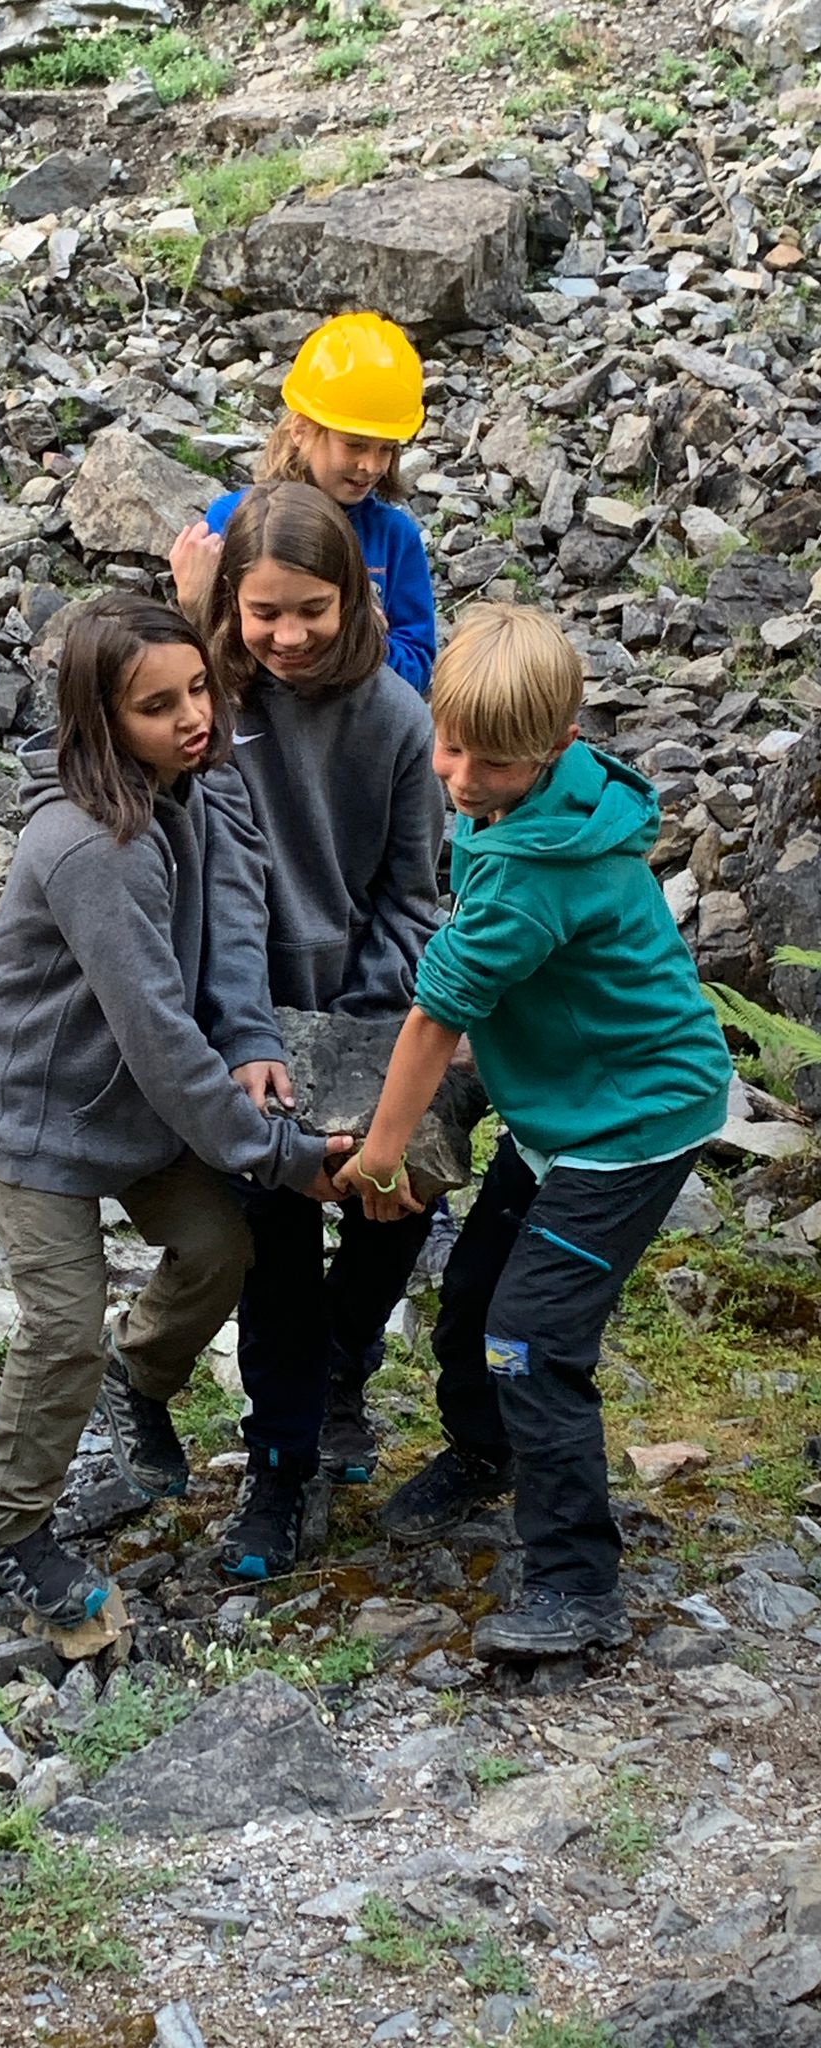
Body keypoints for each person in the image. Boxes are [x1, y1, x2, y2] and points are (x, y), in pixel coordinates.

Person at [334, 604, 733, 1660]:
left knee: (530, 1338)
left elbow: (436, 1015)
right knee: (473, 1295)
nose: (462, 780)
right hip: (565, 1103)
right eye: (449, 746)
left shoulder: (534, 870)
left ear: (557, 743)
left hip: (630, 1122)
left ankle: (577, 1582)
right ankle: (486, 1452)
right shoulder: (539, 798)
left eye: (493, 762)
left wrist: (383, 1154)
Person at [0, 592, 350, 1628]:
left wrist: (253, 1040)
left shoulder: (195, 786)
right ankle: (9, 1528)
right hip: (38, 1111)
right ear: (102, 721)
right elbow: (162, 1037)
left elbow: (233, 918)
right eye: (157, 706)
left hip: (133, 1102)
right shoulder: (95, 849)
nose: (194, 719)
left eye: (200, 691)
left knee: (218, 1246)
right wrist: (283, 1155)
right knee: (62, 1328)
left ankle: (144, 1377)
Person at [173, 481, 445, 1580]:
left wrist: (368, 1042)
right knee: (274, 1242)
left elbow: (412, 897)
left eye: (311, 611)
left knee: (398, 1203)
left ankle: (345, 1364)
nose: (287, 636)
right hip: (247, 1016)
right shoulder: (214, 717)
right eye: (264, 612)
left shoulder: (398, 720)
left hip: (370, 1015)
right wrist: (251, 1037)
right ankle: (280, 1462)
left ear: (354, 600)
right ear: (232, 605)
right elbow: (227, 895)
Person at [187, 311, 437, 694]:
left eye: (386, 449)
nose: (371, 466)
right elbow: (205, 666)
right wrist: (196, 604)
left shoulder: (395, 537)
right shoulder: (233, 520)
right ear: (301, 430)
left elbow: (417, 666)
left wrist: (362, 639)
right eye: (354, 445)